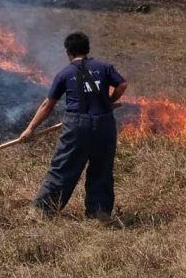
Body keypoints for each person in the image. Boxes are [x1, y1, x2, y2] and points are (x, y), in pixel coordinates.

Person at [21, 32, 127, 225]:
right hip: (104, 124)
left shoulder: (65, 73)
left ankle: (41, 213)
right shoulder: (104, 67)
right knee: (102, 168)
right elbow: (122, 84)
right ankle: (99, 214)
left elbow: (47, 104)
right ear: (87, 49)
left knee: (63, 167)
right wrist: (108, 102)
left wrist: (30, 128)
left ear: (68, 52)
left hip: (77, 125)